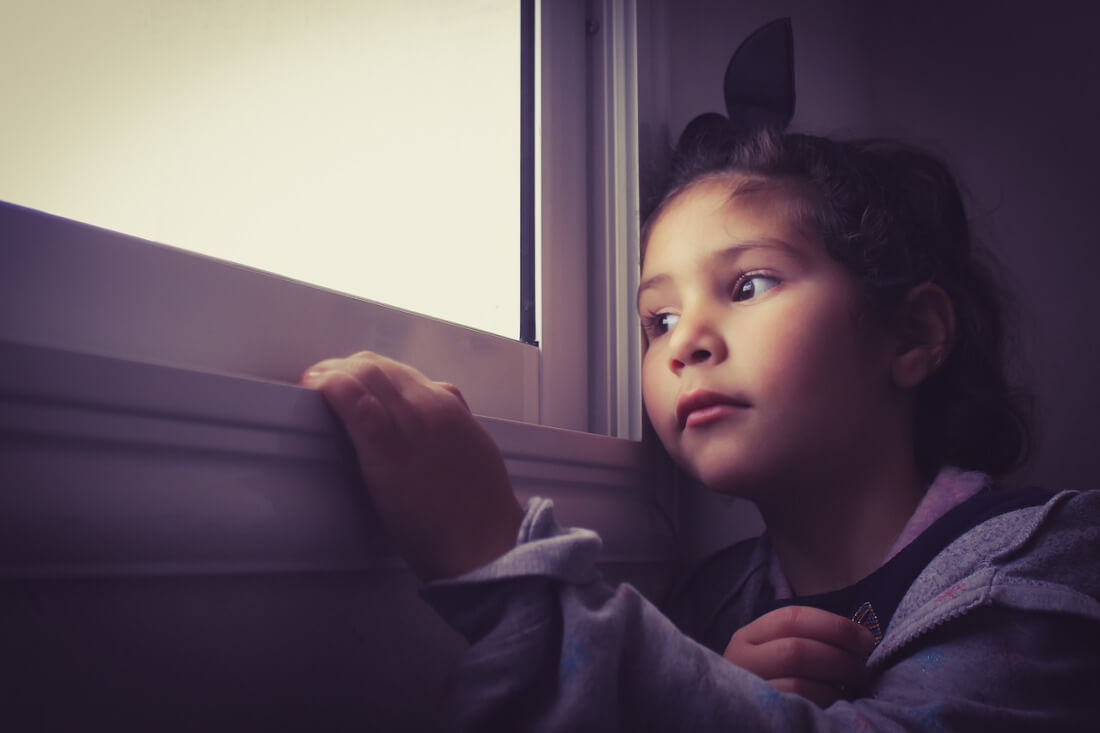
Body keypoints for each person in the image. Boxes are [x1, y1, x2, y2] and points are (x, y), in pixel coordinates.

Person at [299, 128, 1100, 730]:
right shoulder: (708, 602)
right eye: (660, 318)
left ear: (911, 336)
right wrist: (721, 678)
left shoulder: (1043, 562)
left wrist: (494, 553)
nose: (685, 341)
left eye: (748, 283)